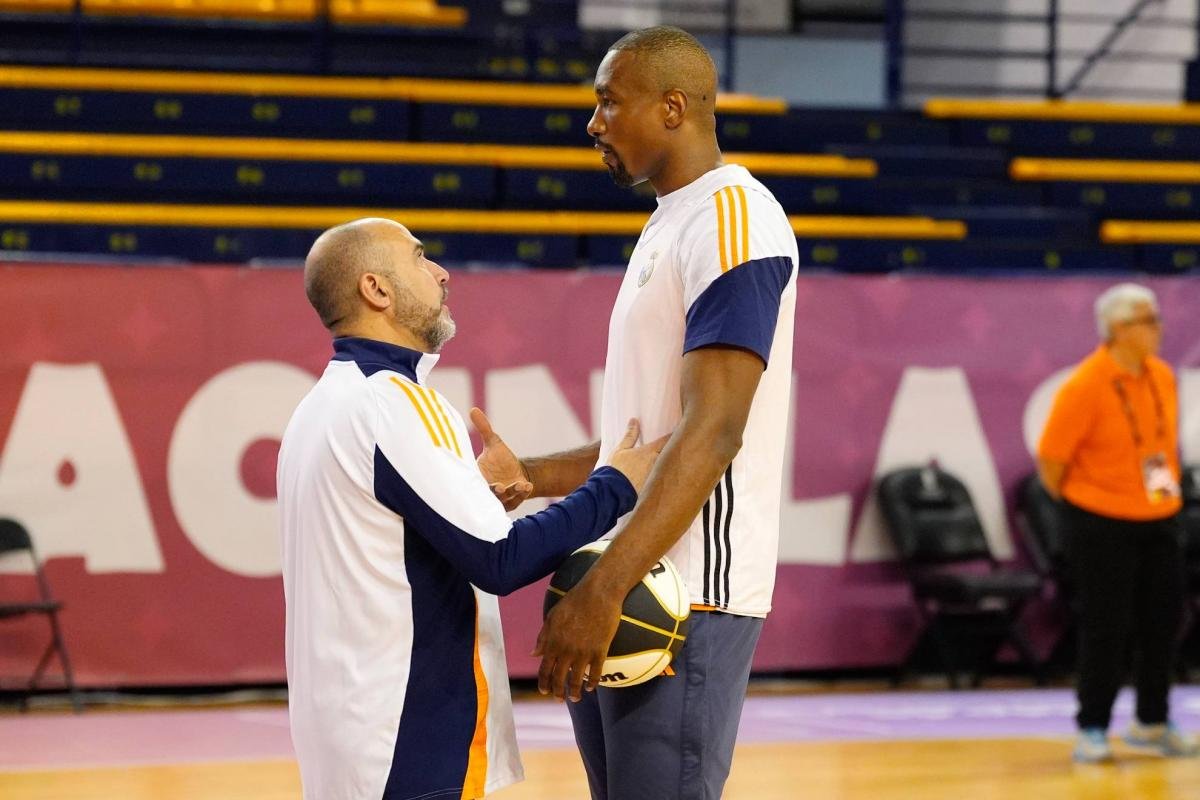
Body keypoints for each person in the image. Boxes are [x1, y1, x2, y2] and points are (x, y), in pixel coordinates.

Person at [474, 26, 798, 800]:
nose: (594, 124)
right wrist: (532, 476)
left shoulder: (734, 219)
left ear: (672, 108)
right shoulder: (672, 222)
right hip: (630, 574)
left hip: (684, 590)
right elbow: (646, 439)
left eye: (609, 102)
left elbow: (714, 431)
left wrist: (605, 586)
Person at [277, 217, 665, 800]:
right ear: (376, 289)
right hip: (404, 732)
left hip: (351, 731)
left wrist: (468, 495)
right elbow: (500, 559)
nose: (441, 273)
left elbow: (388, 542)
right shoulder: (395, 401)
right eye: (419, 257)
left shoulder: (322, 406)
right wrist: (615, 485)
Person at [1037, 282, 1198, 764]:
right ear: (1117, 329)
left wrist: (1161, 501)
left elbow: (1159, 445)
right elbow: (1051, 462)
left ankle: (1152, 720)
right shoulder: (1085, 385)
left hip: (1158, 517)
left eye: (1157, 318)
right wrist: (1089, 504)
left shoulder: (1161, 376)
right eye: (1148, 320)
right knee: (1106, 627)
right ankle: (1093, 726)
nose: (1159, 328)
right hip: (1101, 522)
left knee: (1163, 622)